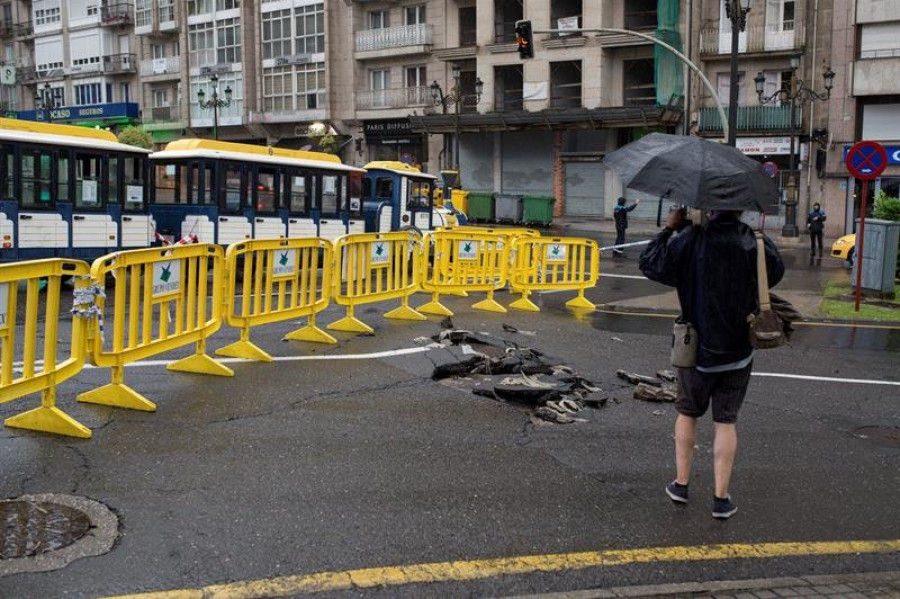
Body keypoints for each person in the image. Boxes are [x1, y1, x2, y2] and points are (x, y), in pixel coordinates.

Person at [639, 207, 784, 519]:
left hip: (694, 349)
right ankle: (721, 499)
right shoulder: (756, 242)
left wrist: (668, 229)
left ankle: (681, 484)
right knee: (726, 421)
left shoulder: (689, 239)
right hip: (739, 350)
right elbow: (775, 274)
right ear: (741, 207)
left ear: (707, 205)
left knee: (688, 413)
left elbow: (650, 264)